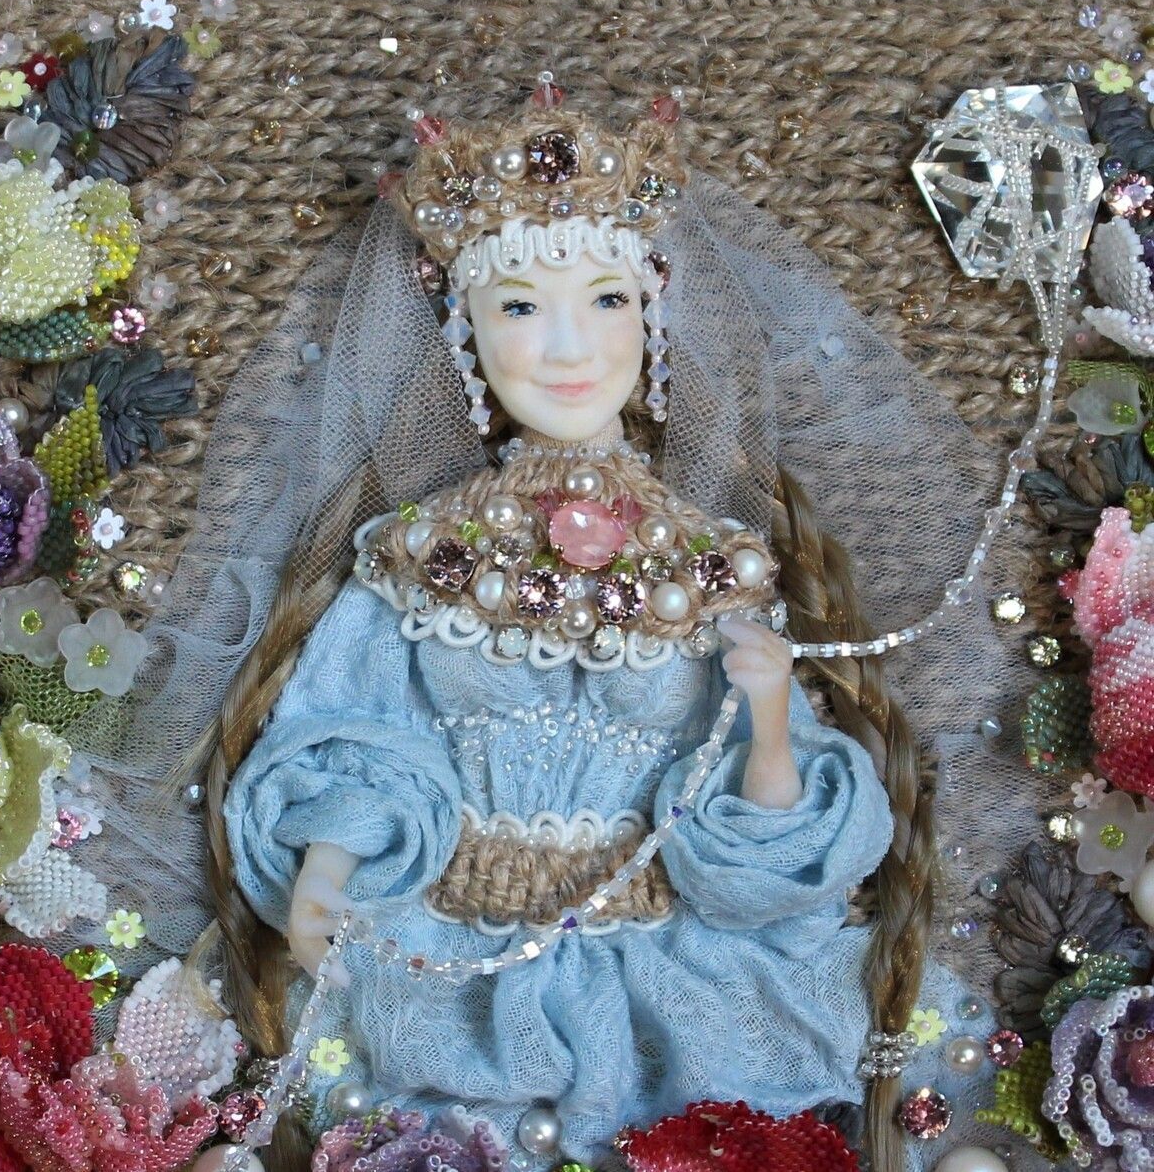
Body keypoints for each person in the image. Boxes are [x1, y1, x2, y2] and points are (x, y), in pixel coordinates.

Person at [206, 91, 946, 1172]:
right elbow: (360, 729)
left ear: (651, 314)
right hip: (451, 967)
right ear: (464, 331)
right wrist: (327, 858)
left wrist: (769, 713)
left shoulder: (711, 566)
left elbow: (764, 835)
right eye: (518, 306)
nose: (567, 347)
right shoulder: (421, 554)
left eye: (605, 299)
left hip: (673, 975)